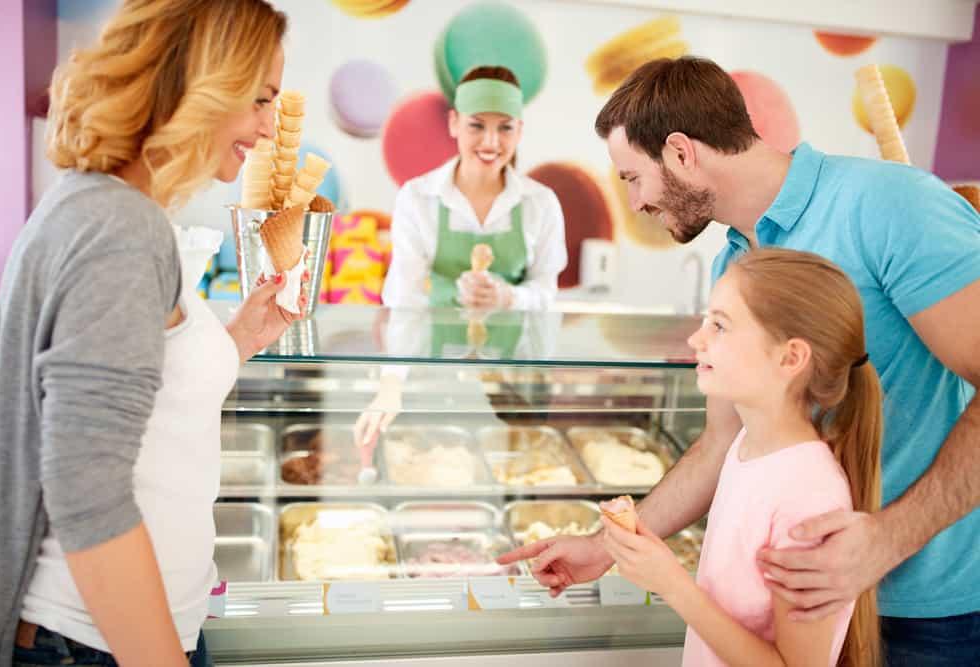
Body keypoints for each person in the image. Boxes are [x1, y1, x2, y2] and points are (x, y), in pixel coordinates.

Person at [499, 56, 980, 665]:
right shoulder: (735, 264)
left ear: (680, 153)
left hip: (931, 614)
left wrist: (887, 540)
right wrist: (605, 546)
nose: (636, 201)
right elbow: (719, 444)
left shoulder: (890, 205)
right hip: (806, 604)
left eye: (630, 178)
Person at [0, 2, 306, 666]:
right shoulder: (122, 230)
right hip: (91, 641)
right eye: (260, 99)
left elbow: (134, 396)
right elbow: (86, 487)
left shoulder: (104, 205)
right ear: (201, 82)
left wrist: (237, 337)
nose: (270, 127)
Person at [602, 248, 881, 665]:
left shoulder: (808, 498)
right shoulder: (746, 446)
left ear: (790, 357)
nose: (696, 340)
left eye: (720, 326)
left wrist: (672, 584)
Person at [381, 65, 567, 311]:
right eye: (477, 126)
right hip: (433, 348)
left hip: (514, 350)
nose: (490, 142)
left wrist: (508, 297)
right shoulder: (417, 198)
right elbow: (402, 296)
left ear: (519, 130)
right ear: (454, 123)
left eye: (505, 127)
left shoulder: (541, 203)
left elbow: (545, 291)